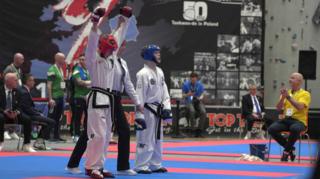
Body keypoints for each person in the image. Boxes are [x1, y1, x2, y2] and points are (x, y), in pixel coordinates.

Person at [83, 6, 133, 179]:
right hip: (97, 96)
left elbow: (118, 36)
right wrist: (95, 23)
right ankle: (92, 167)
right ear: (102, 47)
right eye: (109, 49)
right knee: (97, 134)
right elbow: (91, 43)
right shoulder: (92, 60)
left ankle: (98, 166)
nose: (112, 51)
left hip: (109, 99)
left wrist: (124, 19)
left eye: (113, 49)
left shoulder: (112, 57)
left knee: (106, 136)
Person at [134, 45, 172, 174]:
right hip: (147, 109)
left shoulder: (160, 71)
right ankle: (141, 165)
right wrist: (139, 116)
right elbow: (139, 96)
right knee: (145, 137)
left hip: (158, 109)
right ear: (149, 55)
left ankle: (155, 164)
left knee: (157, 138)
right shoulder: (142, 74)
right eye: (156, 53)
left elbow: (165, 91)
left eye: (159, 52)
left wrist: (167, 109)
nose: (159, 55)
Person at [112, 41, 143, 175]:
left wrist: (138, 102)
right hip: (104, 96)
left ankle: (123, 167)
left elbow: (128, 84)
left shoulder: (123, 62)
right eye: (120, 45)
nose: (122, 47)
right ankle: (75, 163)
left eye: (124, 45)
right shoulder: (105, 60)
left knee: (124, 130)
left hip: (117, 98)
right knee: (93, 134)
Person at [268, 72, 311, 162]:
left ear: (299, 81)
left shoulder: (305, 94)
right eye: (290, 78)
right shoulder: (286, 93)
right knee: (271, 129)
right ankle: (290, 148)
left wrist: (288, 97)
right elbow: (278, 109)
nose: (289, 80)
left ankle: (286, 152)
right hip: (286, 119)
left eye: (292, 78)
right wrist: (283, 98)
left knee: (294, 128)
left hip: (299, 121)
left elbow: (300, 107)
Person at [17, 74, 56, 150]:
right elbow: (27, 109)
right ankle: (39, 142)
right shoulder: (24, 92)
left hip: (30, 114)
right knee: (51, 122)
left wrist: (38, 112)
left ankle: (39, 142)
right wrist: (38, 114)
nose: (34, 82)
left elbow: (29, 107)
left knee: (47, 122)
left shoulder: (25, 90)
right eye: (32, 80)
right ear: (28, 81)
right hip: (27, 116)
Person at [0, 73, 35, 152]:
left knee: (27, 119)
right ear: (8, 81)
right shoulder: (0, 90)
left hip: (14, 114)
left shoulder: (18, 91)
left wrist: (17, 112)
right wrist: (4, 111)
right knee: (0, 117)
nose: (17, 82)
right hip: (3, 113)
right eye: (15, 80)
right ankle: (0, 143)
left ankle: (26, 145)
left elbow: (20, 105)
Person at [3, 53, 25, 140]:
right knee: (7, 111)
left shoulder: (19, 70)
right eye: (21, 59)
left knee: (15, 112)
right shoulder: (9, 68)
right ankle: (4, 131)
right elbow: (6, 81)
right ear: (16, 59)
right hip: (9, 93)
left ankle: (12, 131)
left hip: (17, 94)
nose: (23, 61)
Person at [70, 54, 91, 142]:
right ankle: (76, 135)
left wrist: (88, 84)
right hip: (79, 97)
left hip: (88, 97)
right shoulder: (76, 70)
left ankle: (86, 135)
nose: (82, 61)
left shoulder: (89, 70)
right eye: (81, 59)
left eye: (84, 59)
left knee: (88, 117)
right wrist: (90, 82)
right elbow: (79, 82)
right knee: (77, 117)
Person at [47, 52, 66, 142]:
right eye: (63, 58)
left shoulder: (61, 69)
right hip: (54, 97)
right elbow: (49, 85)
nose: (64, 60)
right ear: (57, 59)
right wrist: (50, 99)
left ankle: (56, 135)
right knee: (52, 117)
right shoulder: (52, 69)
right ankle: (48, 135)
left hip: (61, 97)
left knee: (59, 117)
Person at [182, 72, 206, 137]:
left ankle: (199, 131)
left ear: (196, 79)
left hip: (197, 101)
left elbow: (202, 94)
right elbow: (183, 95)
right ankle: (192, 130)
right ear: (190, 78)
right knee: (192, 111)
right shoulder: (185, 84)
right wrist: (188, 94)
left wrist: (200, 98)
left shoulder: (200, 85)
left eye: (195, 79)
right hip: (189, 101)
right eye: (192, 79)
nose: (193, 81)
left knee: (203, 112)